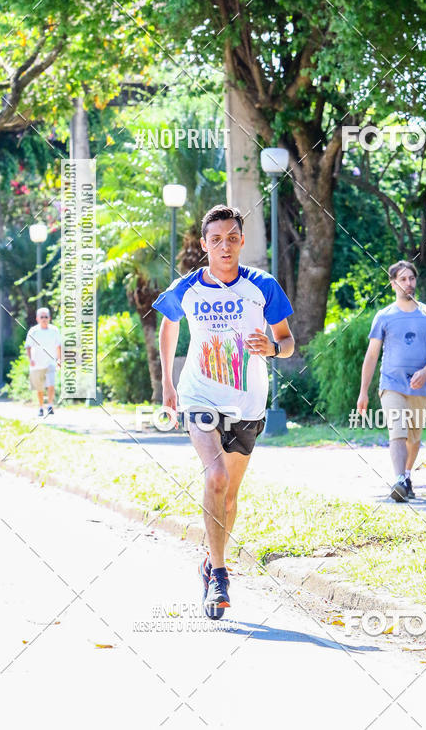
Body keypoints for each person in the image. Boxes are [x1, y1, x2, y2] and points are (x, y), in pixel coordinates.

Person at [153, 204, 294, 618]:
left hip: (248, 402)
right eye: (215, 239)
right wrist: (167, 383)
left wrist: (271, 347)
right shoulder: (189, 287)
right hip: (199, 396)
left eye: (232, 237)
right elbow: (169, 323)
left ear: (241, 241)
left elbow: (287, 341)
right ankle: (219, 573)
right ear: (204, 245)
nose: (224, 245)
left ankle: (210, 560)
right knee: (213, 476)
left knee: (229, 496)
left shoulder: (262, 285)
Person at [357, 260, 426, 502]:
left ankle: (407, 475)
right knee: (398, 431)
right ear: (393, 283)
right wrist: (363, 391)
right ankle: (398, 480)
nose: (409, 283)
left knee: (414, 438)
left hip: (421, 386)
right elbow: (372, 355)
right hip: (391, 384)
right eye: (403, 279)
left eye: (412, 278)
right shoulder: (384, 316)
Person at [25, 307, 62, 417]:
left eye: (46, 317)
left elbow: (59, 346)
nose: (44, 319)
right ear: (37, 318)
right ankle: (41, 407)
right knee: (39, 388)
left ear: (49, 318)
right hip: (36, 364)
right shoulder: (33, 331)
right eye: (42, 317)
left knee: (51, 384)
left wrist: (59, 360)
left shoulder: (54, 330)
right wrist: (30, 359)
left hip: (50, 362)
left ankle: (50, 406)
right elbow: (28, 346)